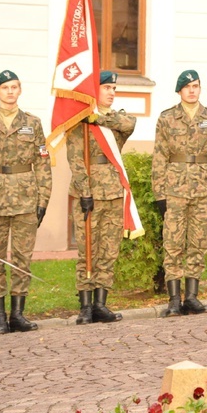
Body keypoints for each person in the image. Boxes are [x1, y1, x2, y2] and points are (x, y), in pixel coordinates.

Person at [0, 71, 52, 335]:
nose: (10, 91)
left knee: (21, 259)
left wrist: (44, 199)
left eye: (14, 86)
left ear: (20, 90)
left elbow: (42, 162)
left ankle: (17, 315)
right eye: (5, 87)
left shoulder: (33, 123)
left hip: (26, 198)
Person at [153, 70, 207, 317]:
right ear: (179, 91)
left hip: (203, 188)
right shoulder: (167, 118)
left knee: (198, 242)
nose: (192, 90)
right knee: (173, 243)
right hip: (174, 189)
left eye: (196, 86)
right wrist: (159, 194)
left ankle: (192, 297)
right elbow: (159, 156)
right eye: (187, 87)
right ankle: (174, 299)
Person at [67, 71, 136, 325]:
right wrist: (84, 191)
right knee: (88, 251)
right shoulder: (79, 122)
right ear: (93, 90)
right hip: (90, 194)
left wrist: (99, 119)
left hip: (114, 193)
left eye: (113, 88)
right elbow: (75, 159)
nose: (111, 92)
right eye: (106, 87)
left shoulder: (114, 120)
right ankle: (85, 306)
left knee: (109, 251)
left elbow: (129, 124)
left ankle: (100, 304)